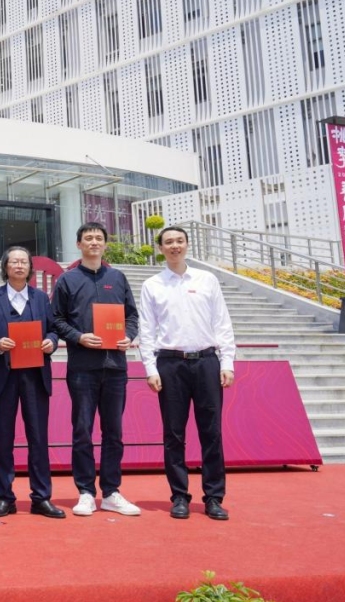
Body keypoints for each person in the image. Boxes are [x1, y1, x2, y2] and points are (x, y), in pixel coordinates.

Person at [139, 226, 236, 521]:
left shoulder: (207, 280)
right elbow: (147, 330)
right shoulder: (152, 285)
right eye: (168, 242)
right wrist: (150, 368)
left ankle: (214, 497)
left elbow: (222, 322)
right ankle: (179, 495)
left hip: (206, 362)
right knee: (173, 434)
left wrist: (227, 362)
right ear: (160, 248)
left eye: (179, 241)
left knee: (212, 432)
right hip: (170, 365)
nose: (175, 246)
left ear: (187, 244)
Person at [51, 222, 141, 517]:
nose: (93, 242)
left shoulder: (117, 277)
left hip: (115, 367)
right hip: (82, 368)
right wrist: (78, 337)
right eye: (88, 238)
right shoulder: (67, 280)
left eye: (98, 238)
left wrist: (128, 335)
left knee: (114, 432)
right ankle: (86, 492)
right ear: (79, 244)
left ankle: (111, 492)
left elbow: (131, 316)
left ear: (105, 244)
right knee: (82, 431)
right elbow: (56, 320)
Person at [0, 247, 65, 519]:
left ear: (30, 268)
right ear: (5, 267)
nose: (18, 266)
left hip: (35, 376)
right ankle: (5, 498)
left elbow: (53, 329)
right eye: (13, 262)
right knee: (3, 440)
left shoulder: (41, 298)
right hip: (2, 376)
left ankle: (41, 497)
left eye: (23, 262)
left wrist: (51, 341)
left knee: (38, 439)